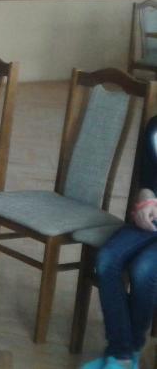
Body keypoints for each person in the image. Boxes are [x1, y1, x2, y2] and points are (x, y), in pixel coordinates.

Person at [81, 116, 157, 369]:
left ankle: (124, 354)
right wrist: (146, 201)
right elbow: (147, 181)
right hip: (151, 222)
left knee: (144, 269)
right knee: (107, 259)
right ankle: (124, 354)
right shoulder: (155, 127)